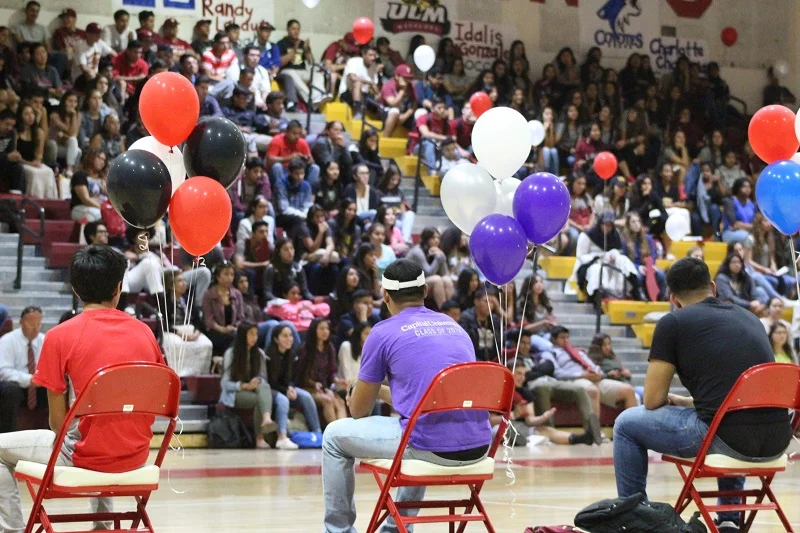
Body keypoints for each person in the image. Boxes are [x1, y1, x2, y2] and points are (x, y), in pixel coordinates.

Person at [613, 258, 793, 532]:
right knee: (732, 420)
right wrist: (692, 403)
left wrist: (681, 403)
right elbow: (741, 390)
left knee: (626, 424)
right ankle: (730, 519)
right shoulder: (751, 318)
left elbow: (651, 400)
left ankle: (634, 519)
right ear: (712, 287)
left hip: (727, 439)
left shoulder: (673, 322)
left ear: (673, 298)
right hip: (778, 440)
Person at [0, 245, 165, 532]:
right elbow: (159, 399)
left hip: (84, 458)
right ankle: (102, 525)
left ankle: (12, 530)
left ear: (75, 289)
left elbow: (56, 423)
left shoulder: (59, 336)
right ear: (118, 288)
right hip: (137, 457)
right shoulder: (145, 332)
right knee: (102, 427)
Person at [322, 259, 492, 532]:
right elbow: (430, 399)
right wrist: (384, 393)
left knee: (333, 436)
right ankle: (395, 529)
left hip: (430, 446)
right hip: (480, 445)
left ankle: (338, 530)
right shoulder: (455, 327)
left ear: (385, 295)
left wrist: (360, 393)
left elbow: (358, 412)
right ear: (425, 290)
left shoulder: (382, 332)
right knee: (419, 422)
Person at [220, 323, 278, 449]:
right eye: (251, 334)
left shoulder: (259, 354)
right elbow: (224, 384)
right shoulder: (231, 353)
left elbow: (264, 379)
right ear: (242, 335)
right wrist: (245, 386)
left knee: (264, 386)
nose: (254, 337)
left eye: (256, 334)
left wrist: (256, 383)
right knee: (259, 400)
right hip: (234, 393)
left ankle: (266, 420)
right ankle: (260, 438)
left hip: (255, 391)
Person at [266, 324, 322, 449]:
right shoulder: (269, 356)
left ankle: (318, 434)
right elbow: (271, 382)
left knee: (306, 396)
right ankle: (282, 436)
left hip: (284, 388)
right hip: (270, 390)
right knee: (283, 400)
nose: (289, 339)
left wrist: (290, 387)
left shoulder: (290, 354)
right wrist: (286, 390)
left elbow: (291, 378)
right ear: (276, 339)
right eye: (285, 336)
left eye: (291, 335)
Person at [0, 306, 45, 434]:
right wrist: (28, 379)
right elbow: (3, 371)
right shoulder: (7, 341)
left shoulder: (45, 340)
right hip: (16, 384)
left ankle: (52, 435)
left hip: (38, 383)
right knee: (10, 391)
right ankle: (7, 435)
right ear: (21, 323)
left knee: (57, 388)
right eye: (31, 324)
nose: (35, 328)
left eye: (38, 324)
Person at [296, 318, 348, 425]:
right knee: (327, 400)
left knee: (340, 402)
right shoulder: (305, 349)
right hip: (307, 387)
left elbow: (332, 372)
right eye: (321, 328)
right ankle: (334, 434)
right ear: (314, 330)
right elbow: (300, 375)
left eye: (327, 329)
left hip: (324, 387)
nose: (325, 332)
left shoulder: (329, 347)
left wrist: (337, 380)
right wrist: (314, 384)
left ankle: (343, 432)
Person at [162, 270, 213, 377]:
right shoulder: (165, 301)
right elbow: (164, 323)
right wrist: (180, 334)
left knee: (207, 344)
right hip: (173, 330)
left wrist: (197, 333)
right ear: (171, 285)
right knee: (176, 345)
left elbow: (198, 321)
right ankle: (178, 374)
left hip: (190, 330)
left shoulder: (188, 300)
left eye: (184, 280)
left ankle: (199, 374)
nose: (184, 283)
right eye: (180, 281)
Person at [276, 19, 331, 110]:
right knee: (290, 73)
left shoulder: (302, 43)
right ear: (288, 29)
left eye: (298, 29)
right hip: (287, 71)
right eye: (293, 29)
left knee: (318, 74)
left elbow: (311, 62)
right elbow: (281, 62)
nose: (296, 31)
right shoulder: (281, 43)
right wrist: (294, 49)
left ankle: (318, 96)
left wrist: (307, 51)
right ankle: (310, 99)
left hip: (302, 71)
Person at [202, 261, 245, 355]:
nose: (229, 278)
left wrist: (234, 327)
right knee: (234, 338)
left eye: (232, 274)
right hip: (215, 332)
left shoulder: (237, 294)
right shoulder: (209, 295)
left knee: (241, 336)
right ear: (217, 276)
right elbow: (208, 320)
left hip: (233, 330)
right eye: (226, 274)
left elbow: (241, 317)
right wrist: (222, 329)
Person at [407, 226, 454, 308]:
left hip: (424, 283)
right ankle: (444, 311)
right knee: (437, 279)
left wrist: (442, 256)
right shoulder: (417, 252)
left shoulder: (434, 251)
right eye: (433, 238)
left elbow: (445, 274)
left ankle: (450, 309)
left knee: (447, 280)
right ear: (426, 239)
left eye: (438, 238)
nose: (436, 240)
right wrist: (438, 258)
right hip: (410, 285)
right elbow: (428, 273)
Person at [459, 288, 502, 362]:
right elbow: (464, 345)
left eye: (492, 302)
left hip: (492, 361)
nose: (490, 305)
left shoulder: (495, 320)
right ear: (476, 301)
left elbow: (499, 344)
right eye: (486, 301)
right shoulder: (465, 318)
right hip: (472, 361)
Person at [0, 109, 24, 194]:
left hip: (3, 162)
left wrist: (16, 156)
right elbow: (8, 155)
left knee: (18, 166)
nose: (9, 128)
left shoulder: (11, 133)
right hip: (3, 159)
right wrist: (7, 156)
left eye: (12, 125)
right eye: (7, 124)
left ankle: (16, 193)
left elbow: (11, 151)